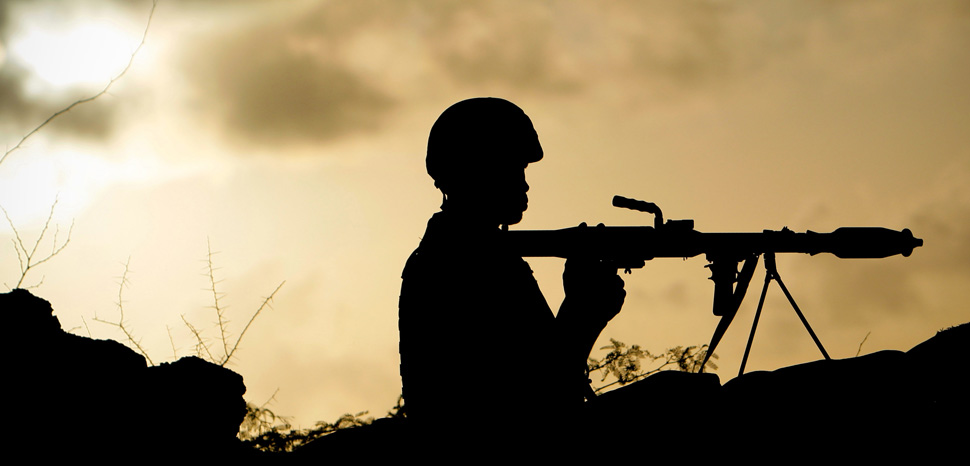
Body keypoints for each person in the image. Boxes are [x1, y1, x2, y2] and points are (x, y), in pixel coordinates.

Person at [398, 97, 625, 454]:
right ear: (478, 171)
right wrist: (584, 311)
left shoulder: (478, 254)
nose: (524, 185)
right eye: (513, 169)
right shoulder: (467, 262)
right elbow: (542, 394)